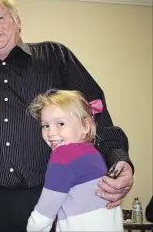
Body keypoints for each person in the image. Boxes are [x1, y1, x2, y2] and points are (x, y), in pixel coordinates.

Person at [0, 0, 134, 232]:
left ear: (17, 21)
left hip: (52, 196)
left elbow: (94, 110)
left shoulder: (55, 56)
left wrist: (119, 159)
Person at [26, 89, 123, 231]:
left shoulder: (63, 156)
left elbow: (44, 214)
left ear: (85, 126)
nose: (51, 133)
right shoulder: (93, 153)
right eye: (45, 125)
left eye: (60, 124)